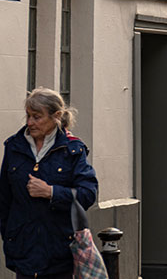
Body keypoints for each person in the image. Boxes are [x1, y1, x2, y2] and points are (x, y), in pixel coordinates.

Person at [1, 88, 99, 279]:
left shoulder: (72, 150)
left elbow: (88, 194)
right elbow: (4, 200)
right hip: (23, 253)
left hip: (61, 253)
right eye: (28, 116)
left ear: (57, 116)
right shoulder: (14, 146)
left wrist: (51, 192)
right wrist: (11, 238)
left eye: (37, 117)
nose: (30, 123)